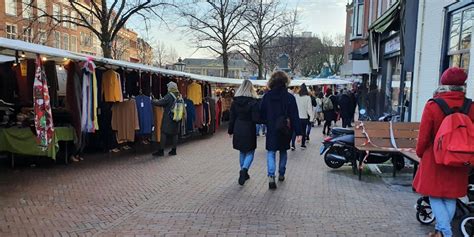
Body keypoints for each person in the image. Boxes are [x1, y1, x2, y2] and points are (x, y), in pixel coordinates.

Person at [413, 68, 474, 237]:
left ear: (443, 84)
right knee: (450, 196)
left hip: (435, 158)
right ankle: (440, 232)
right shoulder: (470, 106)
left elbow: (424, 135)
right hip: (461, 158)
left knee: (435, 195)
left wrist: (419, 153)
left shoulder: (433, 105)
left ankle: (446, 233)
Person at [260, 71, 302, 190]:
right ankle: (282, 173)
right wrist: (298, 132)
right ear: (285, 82)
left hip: (272, 128)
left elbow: (261, 112)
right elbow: (295, 115)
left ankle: (271, 175)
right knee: (283, 151)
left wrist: (265, 122)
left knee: (271, 152)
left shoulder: (267, 96)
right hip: (285, 129)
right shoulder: (289, 97)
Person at [228, 80, 260, 186]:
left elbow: (231, 117)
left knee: (242, 151)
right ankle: (244, 170)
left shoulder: (235, 102)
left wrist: (230, 130)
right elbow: (256, 118)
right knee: (250, 151)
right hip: (249, 127)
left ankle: (243, 171)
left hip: (238, 126)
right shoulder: (253, 102)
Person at [152, 81, 181, 157]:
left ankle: (161, 151)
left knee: (164, 133)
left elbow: (160, 103)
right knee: (175, 134)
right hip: (177, 117)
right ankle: (174, 150)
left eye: (168, 87)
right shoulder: (178, 95)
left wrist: (153, 100)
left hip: (168, 118)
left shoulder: (169, 95)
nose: (167, 88)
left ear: (170, 88)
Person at [291, 84, 314, 150]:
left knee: (295, 131)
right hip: (304, 117)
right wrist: (311, 118)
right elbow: (309, 109)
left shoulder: (296, 96)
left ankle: (293, 145)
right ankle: (302, 145)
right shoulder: (308, 97)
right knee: (303, 131)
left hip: (296, 117)